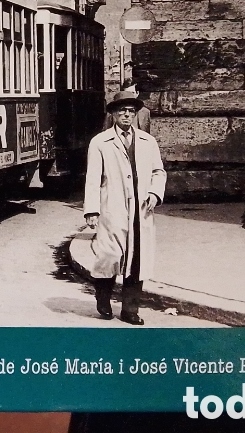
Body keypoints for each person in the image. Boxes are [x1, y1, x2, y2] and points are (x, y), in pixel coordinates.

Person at [83, 88, 165, 326]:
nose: (127, 116)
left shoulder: (148, 142)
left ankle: (130, 310)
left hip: (141, 210)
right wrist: (92, 210)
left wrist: (154, 193)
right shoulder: (100, 142)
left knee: (137, 261)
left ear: (136, 114)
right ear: (114, 114)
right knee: (109, 256)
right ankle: (103, 298)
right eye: (122, 111)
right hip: (113, 209)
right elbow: (93, 177)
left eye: (131, 112)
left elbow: (158, 171)